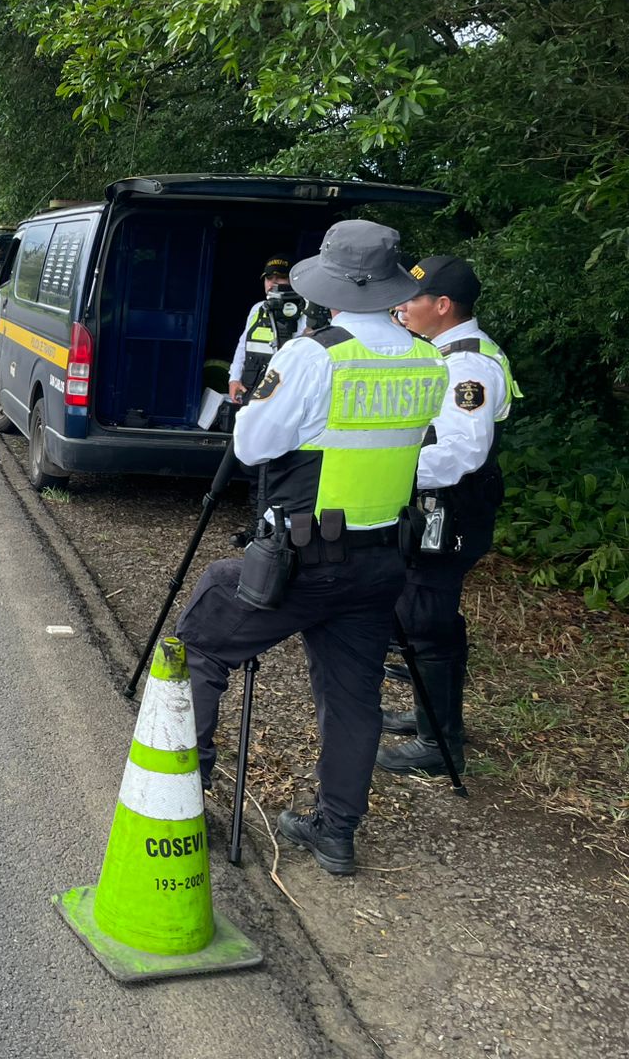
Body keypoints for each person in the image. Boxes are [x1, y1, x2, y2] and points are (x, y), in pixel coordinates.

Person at [173, 220, 447, 876]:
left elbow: (251, 446)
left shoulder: (313, 355)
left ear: (331, 286)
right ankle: (335, 831)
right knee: (354, 697)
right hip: (382, 561)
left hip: (303, 559)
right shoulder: (428, 359)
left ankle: (181, 794)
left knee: (205, 635)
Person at [377, 255, 519, 776]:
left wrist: (393, 471)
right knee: (434, 618)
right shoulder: (445, 351)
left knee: (425, 617)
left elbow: (462, 453)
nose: (400, 307)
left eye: (410, 299)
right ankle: (430, 718)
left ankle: (439, 747)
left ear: (442, 305)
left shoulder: (467, 365)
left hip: (451, 508)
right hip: (444, 505)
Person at [227, 255, 306, 403]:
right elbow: (243, 346)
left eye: (280, 277)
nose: (273, 283)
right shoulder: (257, 309)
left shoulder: (304, 312)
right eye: (269, 278)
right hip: (251, 387)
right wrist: (234, 379)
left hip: (285, 390)